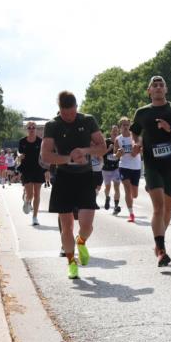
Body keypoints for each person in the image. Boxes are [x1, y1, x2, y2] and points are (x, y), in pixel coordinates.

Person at [40, 91, 106, 279]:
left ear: (76, 107)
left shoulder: (87, 120)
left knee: (87, 224)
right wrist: (68, 159)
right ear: (59, 109)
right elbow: (45, 155)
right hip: (64, 177)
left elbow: (102, 147)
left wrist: (84, 151)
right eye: (64, 113)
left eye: (71, 112)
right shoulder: (52, 125)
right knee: (67, 225)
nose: (68, 117)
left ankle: (82, 241)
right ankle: (71, 263)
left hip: (85, 177)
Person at [132, 76, 171, 266]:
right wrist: (137, 143)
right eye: (155, 85)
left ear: (166, 90)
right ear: (149, 90)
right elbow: (135, 132)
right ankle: (161, 250)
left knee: (167, 209)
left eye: (161, 85)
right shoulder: (142, 113)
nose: (158, 88)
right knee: (158, 208)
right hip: (152, 166)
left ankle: (159, 241)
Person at [115, 116, 143, 221]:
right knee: (127, 190)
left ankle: (132, 198)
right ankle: (131, 214)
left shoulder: (136, 137)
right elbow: (115, 155)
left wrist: (137, 150)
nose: (126, 127)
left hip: (136, 167)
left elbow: (141, 151)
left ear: (130, 126)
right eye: (123, 125)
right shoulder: (118, 139)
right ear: (120, 127)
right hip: (124, 166)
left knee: (134, 194)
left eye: (127, 125)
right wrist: (118, 153)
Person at [18, 121, 45, 225]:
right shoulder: (22, 141)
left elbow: (44, 156)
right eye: (29, 127)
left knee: (37, 193)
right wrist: (19, 155)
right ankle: (27, 200)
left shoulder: (41, 141)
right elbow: (19, 152)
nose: (32, 129)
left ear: (36, 129)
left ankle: (35, 217)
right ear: (27, 129)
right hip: (26, 169)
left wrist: (46, 170)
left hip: (38, 169)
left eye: (33, 127)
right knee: (30, 194)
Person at [101, 124, 122, 212]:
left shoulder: (120, 142)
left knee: (117, 187)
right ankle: (107, 198)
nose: (115, 132)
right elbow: (100, 154)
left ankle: (116, 206)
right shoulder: (106, 142)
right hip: (106, 168)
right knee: (108, 187)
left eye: (116, 131)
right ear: (110, 132)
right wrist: (109, 149)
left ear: (118, 132)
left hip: (116, 168)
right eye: (113, 131)